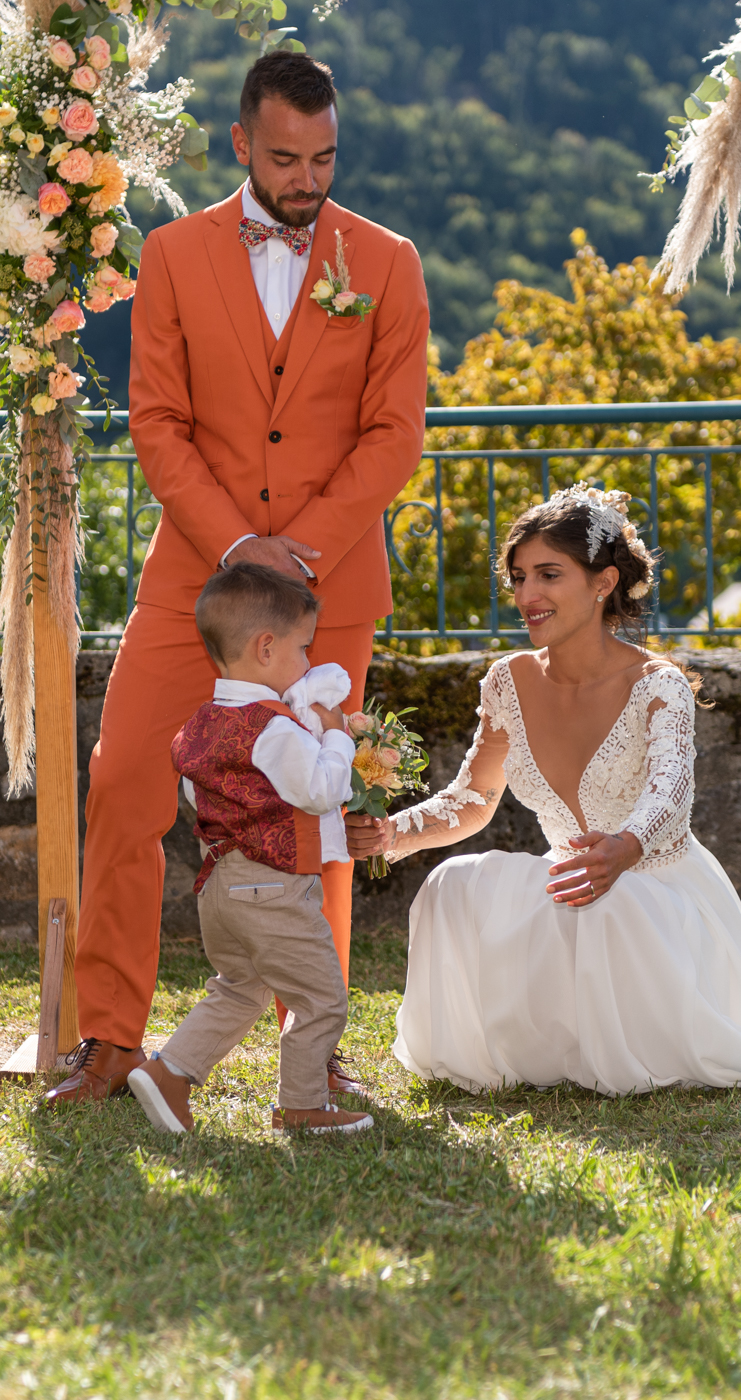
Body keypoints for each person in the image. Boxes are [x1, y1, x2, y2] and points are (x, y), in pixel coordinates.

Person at [48, 50, 429, 1107]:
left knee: (317, 812)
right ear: (240, 144)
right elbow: (158, 421)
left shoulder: (387, 260)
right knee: (125, 781)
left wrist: (299, 549)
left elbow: (395, 433)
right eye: (284, 158)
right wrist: (238, 547)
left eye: (324, 158)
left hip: (329, 586)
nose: (306, 179)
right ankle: (110, 1039)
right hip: (193, 578)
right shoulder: (171, 252)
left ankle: (316, 1048)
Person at [346, 486, 741, 1094]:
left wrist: (625, 847)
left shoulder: (657, 682)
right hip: (571, 883)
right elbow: (473, 798)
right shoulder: (506, 681)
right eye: (518, 578)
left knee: (611, 904)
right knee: (452, 885)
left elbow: (670, 794)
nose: (527, 595)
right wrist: (392, 833)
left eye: (548, 575)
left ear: (603, 582)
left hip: (657, 892)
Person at [128, 564, 372, 1135]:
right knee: (320, 999)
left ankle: (169, 1073)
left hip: (220, 884)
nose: (308, 662)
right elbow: (321, 790)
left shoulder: (201, 723)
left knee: (240, 988)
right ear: (266, 648)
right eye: (303, 648)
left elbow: (198, 795)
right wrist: (337, 735)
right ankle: (303, 1106)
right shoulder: (276, 727)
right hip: (273, 887)